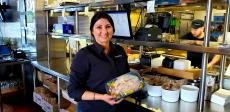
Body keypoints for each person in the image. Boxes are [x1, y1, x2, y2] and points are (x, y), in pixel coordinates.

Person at [67, 12, 131, 112]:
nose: (104, 31)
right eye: (99, 27)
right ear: (92, 31)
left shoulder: (120, 51)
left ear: (113, 29)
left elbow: (126, 76)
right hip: (92, 108)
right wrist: (102, 97)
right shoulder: (84, 55)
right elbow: (73, 91)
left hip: (118, 107)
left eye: (108, 26)